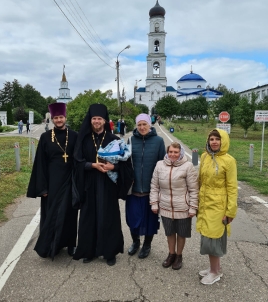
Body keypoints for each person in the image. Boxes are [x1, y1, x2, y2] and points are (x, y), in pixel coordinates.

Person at [73, 103, 133, 266]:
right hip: (89, 183)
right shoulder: (84, 139)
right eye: (94, 118)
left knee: (109, 217)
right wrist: (92, 165)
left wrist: (113, 166)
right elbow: (77, 162)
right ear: (90, 120)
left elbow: (126, 164)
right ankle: (88, 250)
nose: (96, 121)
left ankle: (109, 252)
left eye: (99, 118)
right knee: (89, 217)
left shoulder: (114, 140)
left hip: (108, 184)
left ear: (105, 120)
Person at [27, 102, 78, 259]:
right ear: (52, 119)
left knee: (70, 214)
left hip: (70, 181)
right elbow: (40, 164)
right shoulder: (45, 137)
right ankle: (51, 245)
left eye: (61, 117)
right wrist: (42, 188)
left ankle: (70, 244)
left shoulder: (74, 135)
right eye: (56, 117)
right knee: (51, 214)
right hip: (52, 182)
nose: (58, 120)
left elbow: (80, 160)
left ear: (65, 117)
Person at [197, 129, 238, 285]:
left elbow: (232, 188)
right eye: (211, 139)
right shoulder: (204, 156)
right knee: (206, 236)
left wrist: (230, 211)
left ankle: (215, 272)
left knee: (213, 239)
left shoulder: (229, 161)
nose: (214, 142)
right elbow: (199, 180)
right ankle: (215, 268)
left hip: (218, 206)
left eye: (217, 139)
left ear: (224, 141)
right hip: (205, 203)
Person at [150, 142, 199, 270]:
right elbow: (154, 186)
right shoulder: (160, 165)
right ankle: (171, 254)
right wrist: (154, 203)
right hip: (165, 206)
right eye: (170, 152)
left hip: (183, 207)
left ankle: (179, 256)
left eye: (176, 152)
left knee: (181, 233)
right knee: (170, 232)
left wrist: (193, 207)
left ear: (180, 153)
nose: (173, 154)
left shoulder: (188, 166)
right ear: (167, 152)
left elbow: (194, 189)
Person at [126, 113, 165, 258]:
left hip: (151, 189)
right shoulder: (130, 140)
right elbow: (125, 161)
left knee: (150, 220)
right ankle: (135, 242)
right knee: (133, 218)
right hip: (133, 188)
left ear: (150, 125)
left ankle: (147, 244)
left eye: (145, 124)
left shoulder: (158, 141)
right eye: (139, 125)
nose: (142, 127)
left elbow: (162, 164)